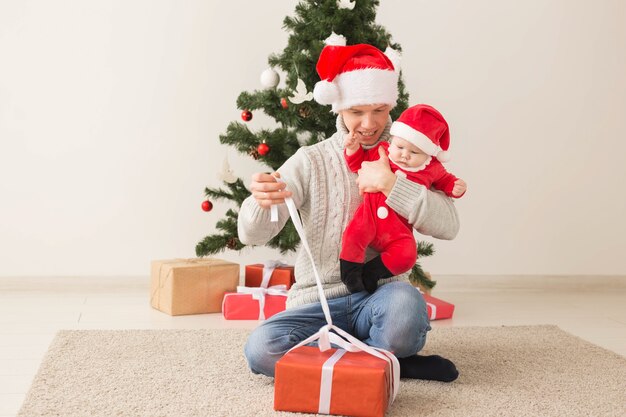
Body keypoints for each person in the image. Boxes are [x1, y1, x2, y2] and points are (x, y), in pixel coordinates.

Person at [237, 40, 460, 382]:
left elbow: (449, 226)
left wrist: (391, 185)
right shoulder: (311, 160)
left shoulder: (412, 157)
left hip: (380, 297)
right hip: (317, 303)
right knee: (260, 349)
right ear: (339, 108)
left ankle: (351, 361)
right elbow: (251, 234)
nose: (369, 124)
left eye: (380, 110)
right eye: (357, 112)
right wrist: (260, 201)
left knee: (406, 309)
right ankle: (385, 363)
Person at [340, 104, 467, 294]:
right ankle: (350, 273)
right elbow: (358, 163)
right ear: (393, 141)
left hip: (397, 230)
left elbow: (445, 181)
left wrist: (455, 186)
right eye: (400, 147)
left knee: (407, 254)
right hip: (369, 217)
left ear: (428, 154)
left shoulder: (431, 168)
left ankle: (371, 273)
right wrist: (352, 148)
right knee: (354, 235)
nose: (405, 155)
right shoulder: (383, 151)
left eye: (414, 152)